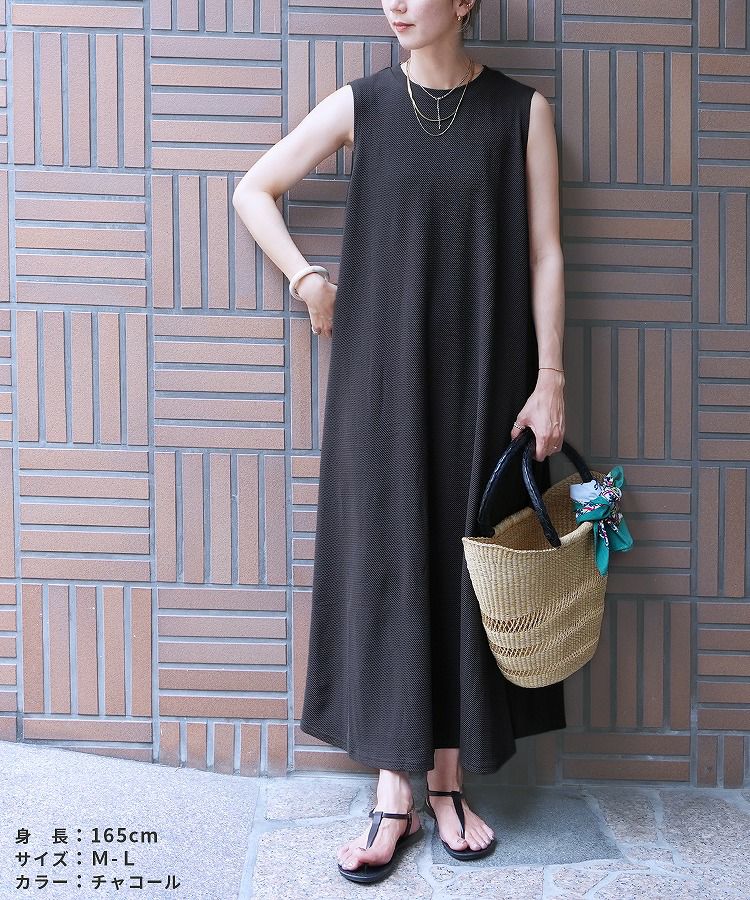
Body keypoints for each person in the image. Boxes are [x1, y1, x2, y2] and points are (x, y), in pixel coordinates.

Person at [232, 0, 567, 885]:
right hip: (380, 383)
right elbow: (253, 189)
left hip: (488, 379)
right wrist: (306, 278)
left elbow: (545, 254)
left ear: (464, 2)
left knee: (468, 566)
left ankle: (447, 783)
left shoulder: (521, 113)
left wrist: (551, 377)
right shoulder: (364, 105)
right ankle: (394, 791)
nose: (398, 4)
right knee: (388, 564)